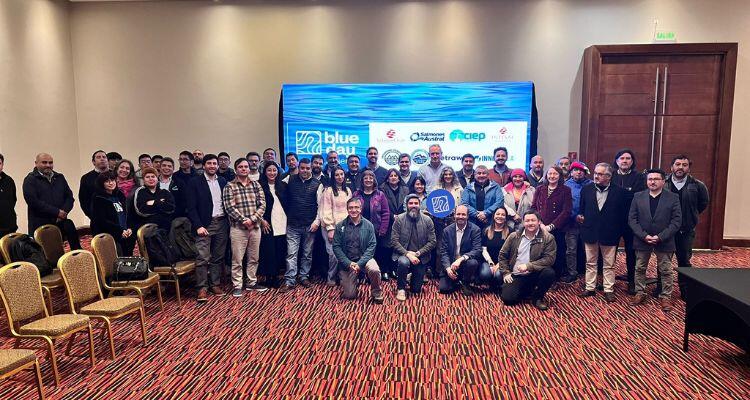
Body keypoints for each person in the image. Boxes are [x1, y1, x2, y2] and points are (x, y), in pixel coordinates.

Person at [628, 169, 682, 312]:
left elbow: (676, 221)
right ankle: (640, 293)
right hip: (642, 239)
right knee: (639, 268)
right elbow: (632, 219)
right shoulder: (638, 196)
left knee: (665, 270)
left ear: (663, 181)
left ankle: (666, 296)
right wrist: (643, 235)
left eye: (656, 179)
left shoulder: (673, 197)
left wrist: (661, 237)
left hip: (664, 240)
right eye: (650, 179)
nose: (652, 182)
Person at [576, 163, 627, 302]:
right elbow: (582, 210)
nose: (596, 176)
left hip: (610, 233)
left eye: (600, 174)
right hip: (590, 232)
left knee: (609, 264)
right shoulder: (586, 189)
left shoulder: (620, 192)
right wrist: (580, 217)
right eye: (595, 173)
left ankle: (608, 289)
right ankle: (590, 288)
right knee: (590, 262)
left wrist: (618, 232)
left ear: (609, 176)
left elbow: (623, 216)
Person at [664, 155, 709, 296]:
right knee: (664, 261)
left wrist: (691, 216)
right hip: (666, 230)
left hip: (686, 230)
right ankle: (662, 288)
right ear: (672, 167)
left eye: (684, 165)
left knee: (684, 261)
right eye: (677, 164)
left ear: (689, 168)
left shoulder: (697, 185)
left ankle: (685, 289)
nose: (680, 167)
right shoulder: (663, 183)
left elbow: (703, 203)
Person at [186, 154, 228, 302]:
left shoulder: (222, 181)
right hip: (204, 224)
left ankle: (214, 284)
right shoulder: (194, 182)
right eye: (209, 163)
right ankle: (202, 288)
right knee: (203, 257)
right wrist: (198, 226)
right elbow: (191, 208)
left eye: (214, 163)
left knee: (218, 256)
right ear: (204, 165)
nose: (212, 166)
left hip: (222, 222)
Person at [223, 158, 268, 297]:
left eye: (246, 166)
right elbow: (229, 207)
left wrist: (252, 219)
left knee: (254, 258)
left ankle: (251, 282)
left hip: (255, 227)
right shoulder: (229, 186)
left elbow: (262, 204)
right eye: (241, 167)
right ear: (236, 169)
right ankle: (237, 285)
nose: (244, 169)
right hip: (238, 228)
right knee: (237, 259)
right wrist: (244, 220)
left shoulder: (255, 185)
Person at [497, 210, 557, 310]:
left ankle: (537, 298)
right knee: (508, 299)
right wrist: (506, 273)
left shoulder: (548, 238)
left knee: (549, 272)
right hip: (516, 274)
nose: (530, 223)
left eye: (533, 220)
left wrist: (528, 266)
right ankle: (528, 291)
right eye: (527, 221)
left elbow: (549, 259)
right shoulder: (514, 236)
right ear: (523, 223)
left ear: (539, 222)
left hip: (535, 273)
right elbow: (502, 255)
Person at [22, 153, 81, 249]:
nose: (48, 165)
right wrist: (57, 212)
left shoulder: (60, 177)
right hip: (41, 224)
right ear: (36, 163)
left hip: (60, 220)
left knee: (68, 233)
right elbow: (33, 202)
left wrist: (64, 212)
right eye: (44, 162)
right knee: (48, 253)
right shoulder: (30, 180)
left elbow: (69, 197)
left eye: (50, 163)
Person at [280, 158, 322, 293]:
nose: (305, 170)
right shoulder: (289, 180)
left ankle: (304, 276)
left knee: (307, 254)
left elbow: (320, 206)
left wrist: (316, 222)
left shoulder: (318, 184)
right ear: (298, 167)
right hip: (293, 224)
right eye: (302, 168)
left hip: (310, 225)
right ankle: (289, 280)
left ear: (311, 168)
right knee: (291, 253)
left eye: (307, 168)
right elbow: (280, 194)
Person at [333, 197, 383, 303]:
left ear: (360, 209)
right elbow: (336, 247)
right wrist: (348, 263)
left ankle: (376, 293)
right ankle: (357, 278)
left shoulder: (369, 225)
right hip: (348, 262)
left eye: (356, 207)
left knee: (374, 269)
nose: (353, 210)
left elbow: (372, 246)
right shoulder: (340, 226)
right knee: (349, 295)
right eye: (350, 208)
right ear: (347, 209)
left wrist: (360, 264)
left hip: (365, 259)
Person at [612, 148, 646, 294]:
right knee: (609, 253)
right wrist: (627, 193)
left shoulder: (639, 177)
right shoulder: (611, 175)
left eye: (628, 158)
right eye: (622, 158)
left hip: (632, 221)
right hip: (612, 220)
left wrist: (619, 195)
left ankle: (632, 281)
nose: (625, 161)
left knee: (631, 253)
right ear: (617, 161)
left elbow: (637, 196)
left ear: (632, 162)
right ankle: (607, 282)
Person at [391, 194, 436, 301]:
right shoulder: (399, 219)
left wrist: (418, 253)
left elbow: (433, 242)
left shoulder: (427, 220)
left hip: (420, 257)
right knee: (403, 262)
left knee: (416, 290)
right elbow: (394, 241)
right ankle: (401, 289)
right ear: (406, 205)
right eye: (410, 203)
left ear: (420, 205)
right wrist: (408, 254)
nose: (413, 205)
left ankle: (410, 276)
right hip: (403, 255)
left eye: (416, 203)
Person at [530, 166, 572, 280]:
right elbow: (533, 207)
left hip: (558, 228)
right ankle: (539, 276)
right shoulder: (540, 188)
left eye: (555, 174)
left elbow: (566, 211)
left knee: (557, 253)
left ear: (560, 176)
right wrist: (540, 223)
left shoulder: (566, 190)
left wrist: (551, 226)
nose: (552, 176)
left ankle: (555, 278)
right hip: (540, 227)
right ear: (546, 175)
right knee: (540, 252)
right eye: (550, 174)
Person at [438, 205, 482, 296]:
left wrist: (461, 259)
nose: (460, 217)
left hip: (465, 264)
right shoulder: (447, 230)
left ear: (467, 216)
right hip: (451, 264)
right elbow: (444, 252)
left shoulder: (475, 230)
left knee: (473, 262)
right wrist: (448, 268)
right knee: (444, 289)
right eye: (458, 214)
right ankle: (456, 280)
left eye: (463, 214)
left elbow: (477, 250)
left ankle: (465, 282)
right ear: (454, 215)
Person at [353, 170, 391, 275]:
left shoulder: (380, 195)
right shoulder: (356, 194)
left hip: (376, 230)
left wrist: (383, 229)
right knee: (360, 253)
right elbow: (352, 211)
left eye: (371, 178)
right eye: (366, 178)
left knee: (376, 253)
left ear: (374, 180)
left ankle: (375, 274)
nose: (368, 180)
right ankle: (361, 274)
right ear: (362, 180)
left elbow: (386, 213)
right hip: (359, 229)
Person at [319, 166, 352, 286]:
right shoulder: (328, 191)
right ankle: (331, 278)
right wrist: (330, 228)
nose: (340, 177)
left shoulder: (347, 190)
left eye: (341, 174)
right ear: (333, 177)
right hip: (331, 227)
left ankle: (342, 277)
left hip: (345, 227)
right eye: (337, 175)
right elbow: (325, 210)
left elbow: (350, 209)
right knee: (333, 254)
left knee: (344, 254)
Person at [91, 170, 135, 256]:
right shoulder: (98, 198)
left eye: (113, 180)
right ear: (102, 184)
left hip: (125, 233)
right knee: (117, 259)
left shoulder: (119, 195)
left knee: (128, 257)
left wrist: (129, 228)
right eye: (107, 181)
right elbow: (101, 220)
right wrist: (119, 231)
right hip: (109, 235)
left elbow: (126, 214)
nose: (111, 183)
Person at [258, 161, 288, 288]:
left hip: (282, 221)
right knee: (268, 250)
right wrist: (261, 220)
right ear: (265, 172)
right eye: (269, 170)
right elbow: (255, 205)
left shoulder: (283, 185)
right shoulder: (259, 185)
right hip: (267, 222)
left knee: (279, 249)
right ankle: (269, 277)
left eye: (274, 170)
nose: (272, 173)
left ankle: (276, 277)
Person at [561, 161, 591, 283]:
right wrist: (574, 216)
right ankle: (572, 273)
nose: (578, 172)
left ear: (585, 172)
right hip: (571, 223)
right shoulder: (566, 185)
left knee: (589, 250)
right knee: (571, 250)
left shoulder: (591, 185)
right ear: (571, 172)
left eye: (581, 170)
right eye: (575, 170)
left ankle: (589, 274)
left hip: (588, 224)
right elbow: (564, 205)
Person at [129, 167, 175, 232]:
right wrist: (161, 203)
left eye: (153, 176)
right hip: (146, 228)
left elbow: (171, 208)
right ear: (143, 180)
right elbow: (141, 211)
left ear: (157, 178)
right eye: (147, 177)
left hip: (165, 227)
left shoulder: (165, 192)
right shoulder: (140, 192)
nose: (150, 179)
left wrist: (154, 202)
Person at [478, 207, 510, 288]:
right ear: (494, 216)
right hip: (488, 261)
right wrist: (491, 263)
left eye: (503, 215)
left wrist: (499, 264)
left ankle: (496, 284)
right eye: (498, 214)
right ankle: (489, 282)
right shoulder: (486, 230)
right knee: (485, 274)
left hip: (503, 262)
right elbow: (483, 249)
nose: (500, 216)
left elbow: (510, 252)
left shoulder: (510, 231)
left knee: (498, 275)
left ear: (506, 218)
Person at [79, 150, 109, 219]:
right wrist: (91, 215)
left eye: (104, 157)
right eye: (98, 157)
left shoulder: (114, 175)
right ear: (93, 162)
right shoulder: (86, 178)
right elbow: (83, 199)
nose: (102, 159)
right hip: (96, 217)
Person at [0, 154, 18, 237]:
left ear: (2, 164)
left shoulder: (9, 181)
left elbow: (13, 200)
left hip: (9, 228)